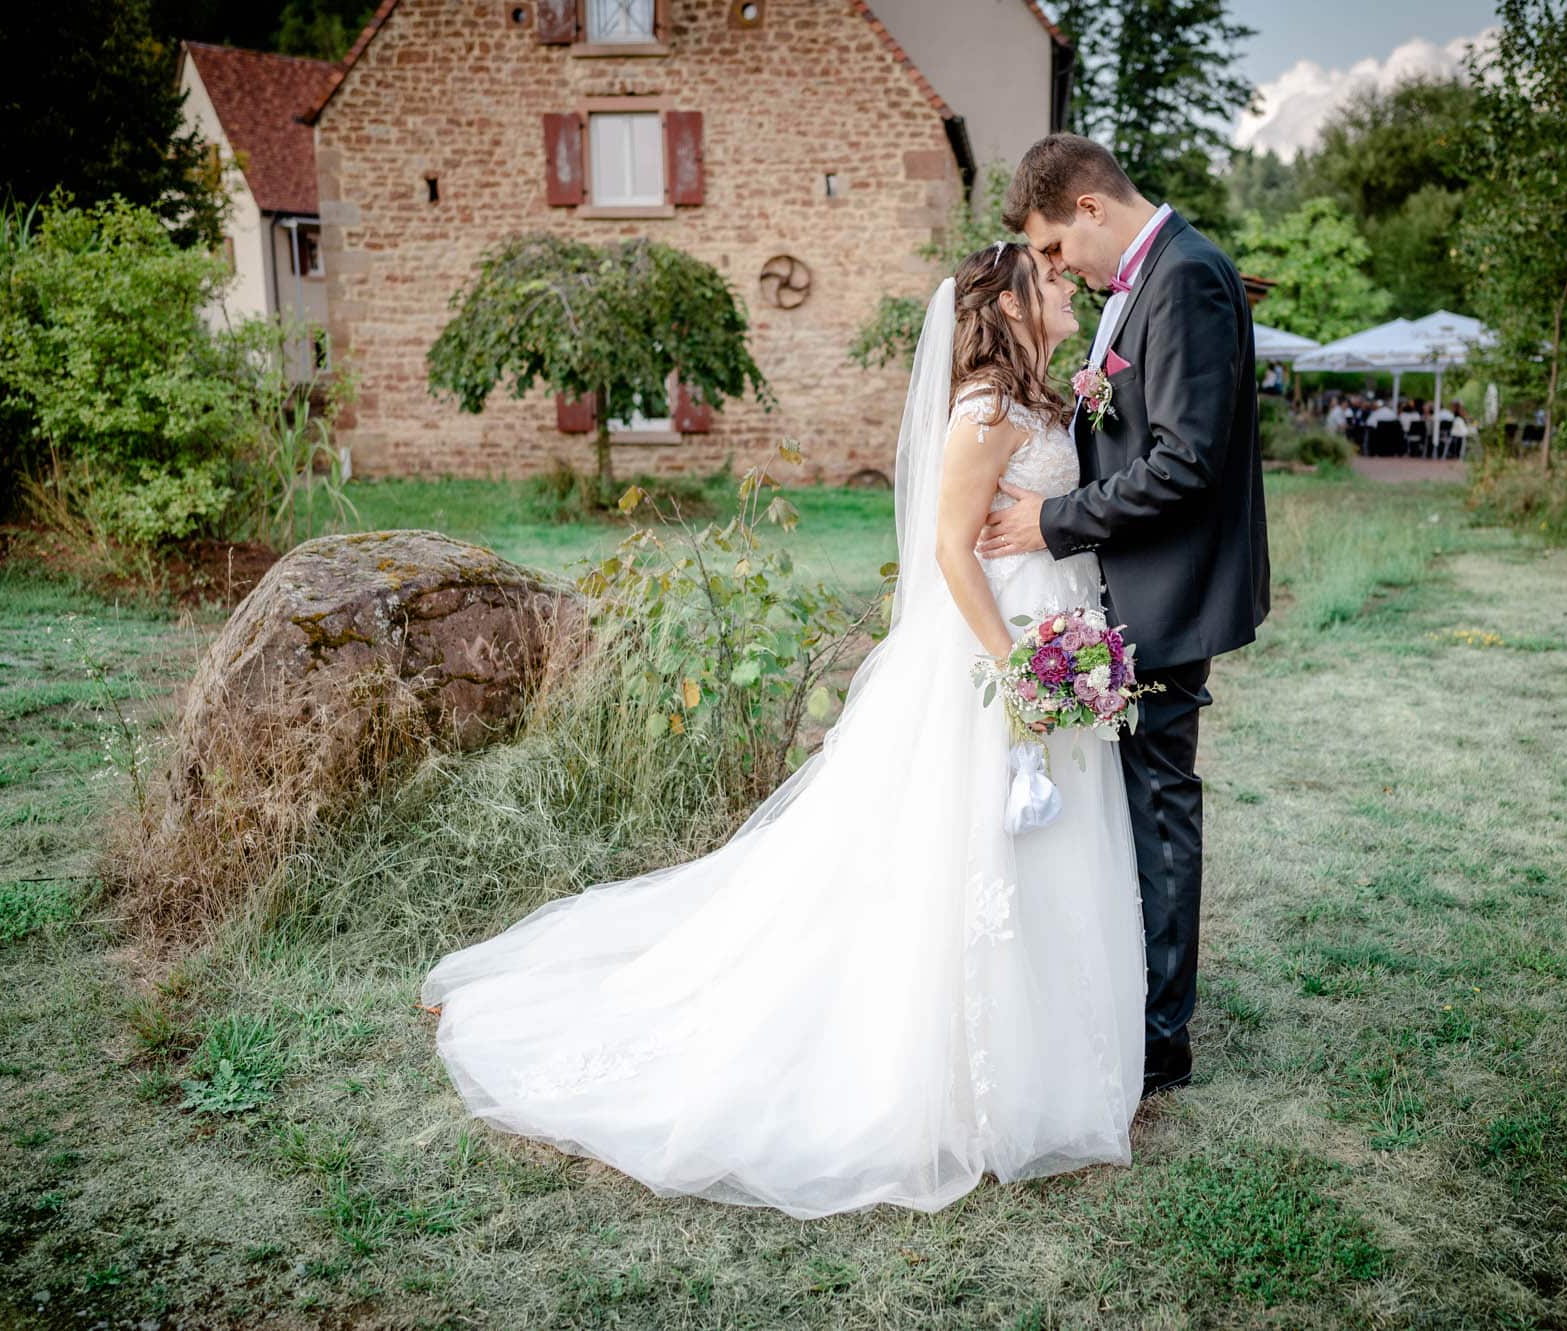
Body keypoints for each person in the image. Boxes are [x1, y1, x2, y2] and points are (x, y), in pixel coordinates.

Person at [420, 239, 1148, 1220]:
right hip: (998, 652)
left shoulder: (1043, 403)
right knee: (969, 847)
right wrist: (1012, 666)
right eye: (1050, 278)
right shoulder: (981, 411)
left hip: (1052, 627)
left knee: (1042, 842)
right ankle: (955, 1072)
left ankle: (1049, 1052)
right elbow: (945, 546)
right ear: (1011, 305)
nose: (1068, 284)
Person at [977, 132, 1270, 1101]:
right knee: (1134, 805)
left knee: (1155, 804)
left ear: (1089, 210)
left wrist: (1053, 520)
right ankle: (1133, 998)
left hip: (1164, 595)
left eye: (1055, 250)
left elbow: (1184, 461)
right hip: (1126, 591)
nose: (1055, 269)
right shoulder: (1145, 284)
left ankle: (1158, 1037)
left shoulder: (1181, 279)